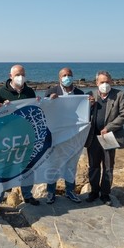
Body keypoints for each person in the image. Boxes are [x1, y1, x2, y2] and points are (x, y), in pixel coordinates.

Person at [0, 64, 40, 214]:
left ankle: (28, 195)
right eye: (17, 74)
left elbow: (33, 110)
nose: (21, 77)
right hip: (7, 139)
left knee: (28, 168)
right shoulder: (2, 92)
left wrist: (39, 101)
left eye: (23, 74)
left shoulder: (29, 91)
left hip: (25, 137)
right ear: (10, 76)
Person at [84, 71, 124, 206]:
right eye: (102, 82)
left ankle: (105, 194)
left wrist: (109, 127)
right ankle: (94, 192)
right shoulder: (90, 95)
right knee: (93, 166)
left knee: (108, 167)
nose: (105, 84)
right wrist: (89, 106)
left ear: (111, 81)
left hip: (109, 136)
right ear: (96, 83)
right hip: (93, 137)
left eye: (107, 81)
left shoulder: (119, 95)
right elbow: (83, 115)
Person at [44, 67, 84, 204]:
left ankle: (70, 191)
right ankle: (50, 192)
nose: (67, 77)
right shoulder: (52, 91)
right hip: (56, 135)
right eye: (64, 75)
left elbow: (83, 114)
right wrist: (49, 100)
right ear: (59, 78)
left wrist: (90, 103)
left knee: (71, 164)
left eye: (69, 75)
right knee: (53, 164)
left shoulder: (79, 93)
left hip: (73, 135)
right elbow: (43, 111)